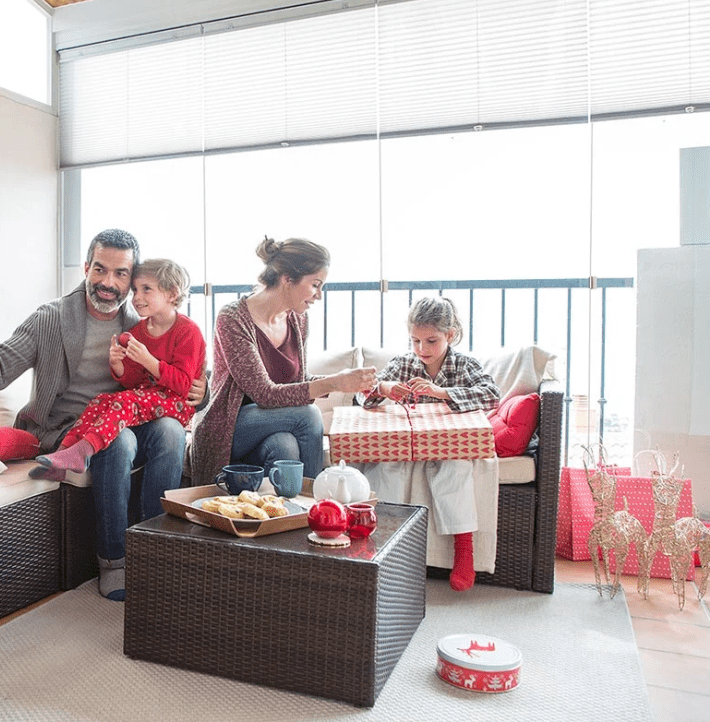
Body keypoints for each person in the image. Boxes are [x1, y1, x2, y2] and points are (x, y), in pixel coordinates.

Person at [0, 230, 194, 602]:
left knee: (169, 430)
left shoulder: (141, 321)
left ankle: (155, 547)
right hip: (67, 427)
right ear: (86, 267)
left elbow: (180, 370)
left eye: (120, 274)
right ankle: (113, 559)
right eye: (100, 270)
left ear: (132, 280)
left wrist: (202, 389)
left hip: (127, 418)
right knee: (121, 440)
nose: (108, 282)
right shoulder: (50, 319)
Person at [189, 237, 376, 486]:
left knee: (284, 447)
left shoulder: (298, 320)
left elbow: (297, 385)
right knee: (309, 415)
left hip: (268, 426)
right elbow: (266, 394)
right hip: (228, 427)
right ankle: (314, 505)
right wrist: (335, 383)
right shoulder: (233, 318)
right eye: (315, 285)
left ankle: (286, 516)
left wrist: (352, 382)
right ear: (287, 279)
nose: (319, 295)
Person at [358, 295, 500, 592]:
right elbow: (361, 396)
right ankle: (382, 549)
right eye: (415, 341)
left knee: (455, 466)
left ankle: (465, 551)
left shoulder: (463, 365)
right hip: (406, 444)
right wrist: (383, 388)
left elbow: (491, 395)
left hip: (447, 444)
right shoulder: (403, 363)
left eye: (431, 341)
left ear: (450, 335)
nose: (422, 349)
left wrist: (441, 393)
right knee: (386, 467)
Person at [34, 258, 206, 476]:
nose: (137, 297)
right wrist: (118, 365)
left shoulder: (187, 331)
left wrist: (149, 361)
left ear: (172, 294)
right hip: (148, 398)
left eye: (146, 289)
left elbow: (183, 385)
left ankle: (83, 452)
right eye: (135, 290)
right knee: (100, 400)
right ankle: (61, 458)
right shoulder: (138, 332)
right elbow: (134, 383)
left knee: (125, 400)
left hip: (177, 404)